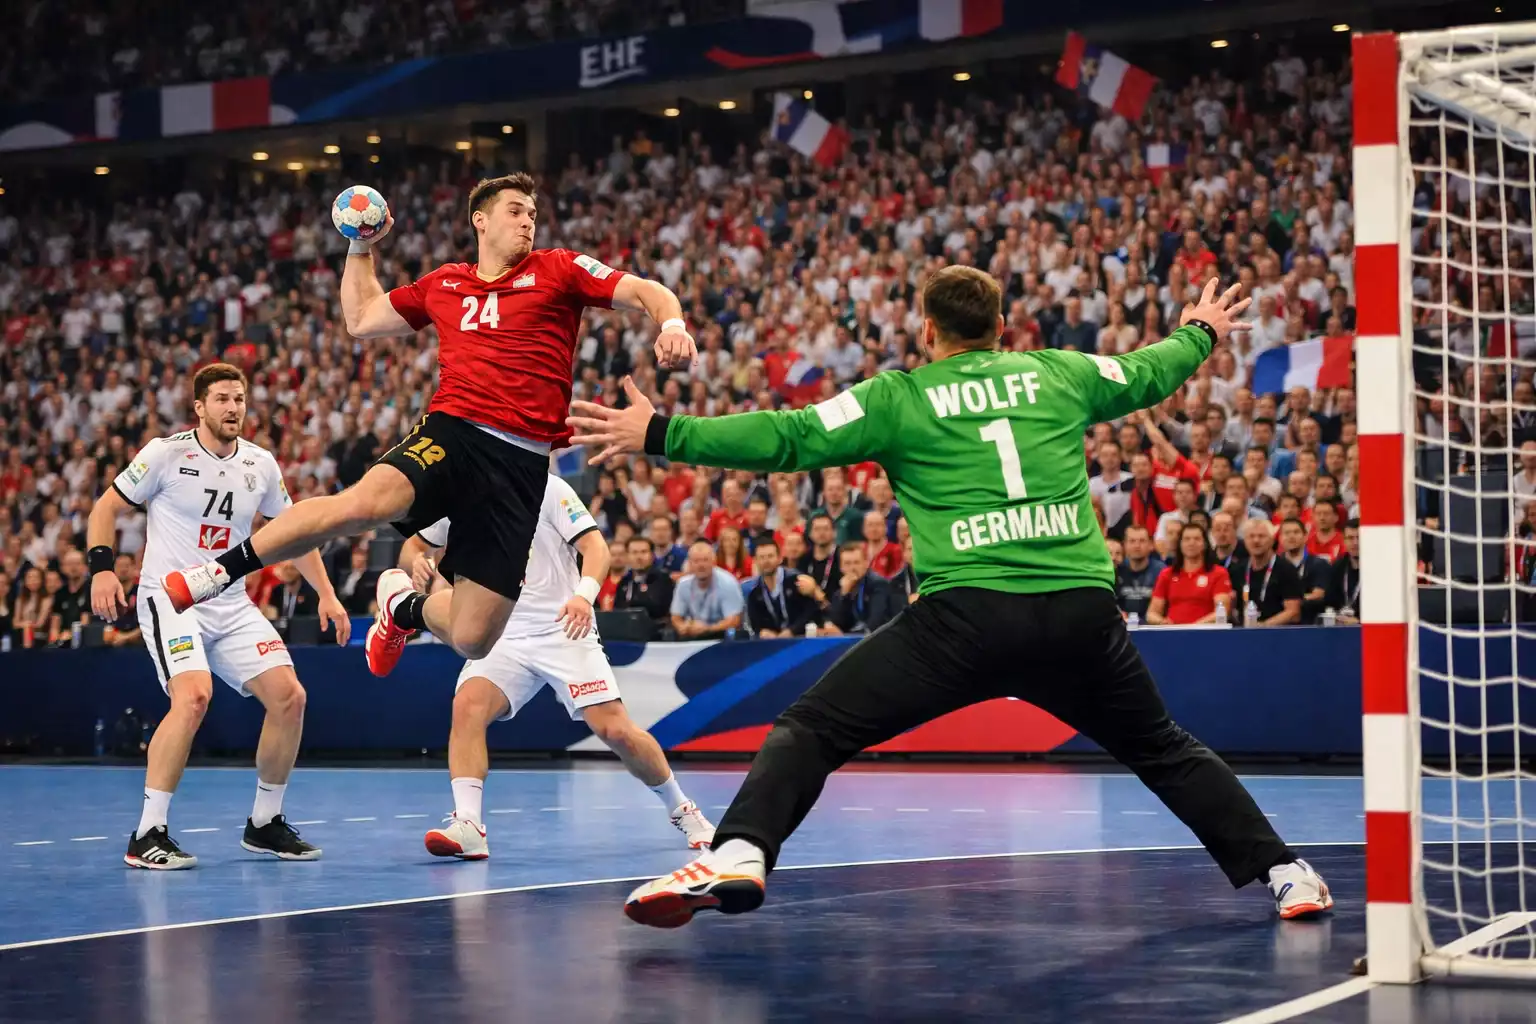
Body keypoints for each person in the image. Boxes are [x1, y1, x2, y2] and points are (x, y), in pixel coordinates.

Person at [567, 270, 1333, 927]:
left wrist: (663, 433)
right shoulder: (1060, 373)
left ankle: (738, 853)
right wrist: (1201, 329)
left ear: (927, 330)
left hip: (966, 618)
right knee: (1163, 748)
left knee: (814, 727)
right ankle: (1287, 874)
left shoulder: (899, 397)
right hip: (1078, 614)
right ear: (1003, 326)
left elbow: (789, 436)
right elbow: (1148, 371)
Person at [158, 172, 697, 681]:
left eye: (532, 214)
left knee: (473, 637)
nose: (528, 221)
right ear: (481, 221)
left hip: (522, 465)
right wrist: (360, 246)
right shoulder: (446, 283)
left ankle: (403, 609)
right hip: (454, 432)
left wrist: (671, 322)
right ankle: (215, 573)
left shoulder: (559, 268)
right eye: (515, 211)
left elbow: (646, 290)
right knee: (363, 504)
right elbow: (362, 318)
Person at [86, 363, 350, 870]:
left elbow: (293, 532)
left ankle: (265, 823)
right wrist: (102, 570)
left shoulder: (260, 463)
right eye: (223, 399)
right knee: (193, 697)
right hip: (171, 599)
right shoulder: (165, 454)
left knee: (290, 698)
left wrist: (327, 594)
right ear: (199, 407)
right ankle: (147, 834)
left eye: (240, 399)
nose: (233, 408)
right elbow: (104, 509)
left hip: (230, 604)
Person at [396, 473, 714, 859]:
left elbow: (596, 548)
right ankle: (469, 825)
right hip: (503, 631)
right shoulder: (460, 491)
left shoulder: (549, 489)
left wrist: (584, 596)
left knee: (615, 730)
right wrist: (418, 562)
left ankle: (683, 809)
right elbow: (413, 546)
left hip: (562, 627)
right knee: (467, 707)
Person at [1146, 524, 1232, 625]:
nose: (1191, 543)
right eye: (1187, 539)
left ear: (1205, 544)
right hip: (1173, 631)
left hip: (1204, 631)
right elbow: (1151, 613)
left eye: (1197, 539)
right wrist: (1162, 622)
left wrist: (1194, 627)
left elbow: (1222, 612)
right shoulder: (1167, 574)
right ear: (1180, 544)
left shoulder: (1219, 573)